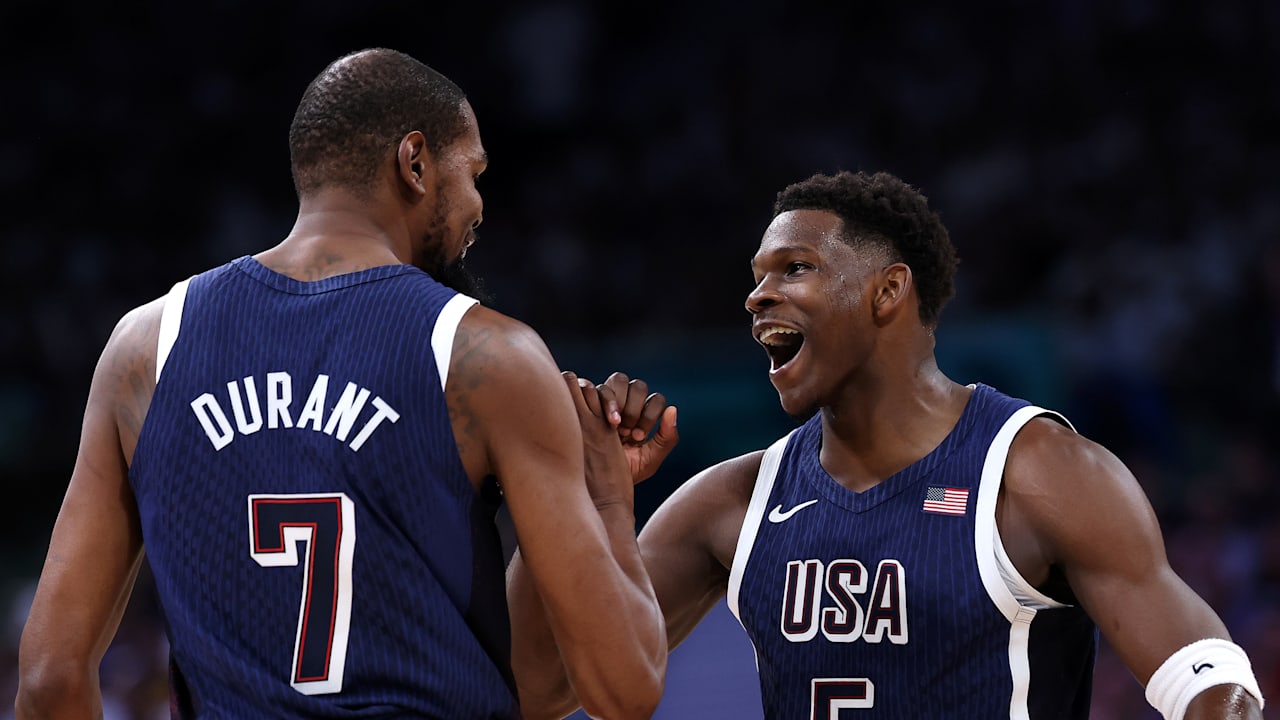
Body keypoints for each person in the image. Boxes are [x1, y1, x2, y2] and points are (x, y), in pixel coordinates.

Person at [15, 47, 666, 720]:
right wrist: (606, 499)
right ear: (415, 162)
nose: (478, 205)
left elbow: (48, 678)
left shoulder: (145, 348)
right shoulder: (488, 357)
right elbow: (624, 687)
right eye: (473, 174)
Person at [516, 170, 1266, 719]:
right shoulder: (732, 502)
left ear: (887, 291)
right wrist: (565, 485)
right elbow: (544, 687)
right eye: (756, 278)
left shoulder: (1039, 472)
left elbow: (1208, 678)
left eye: (794, 268)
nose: (757, 295)